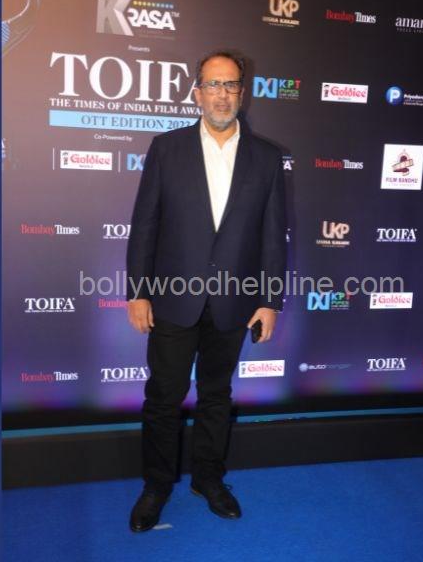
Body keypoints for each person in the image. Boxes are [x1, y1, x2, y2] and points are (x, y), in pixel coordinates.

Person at [125, 50, 287, 532]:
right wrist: (138, 291)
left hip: (235, 301)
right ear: (197, 92)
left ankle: (208, 479)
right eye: (213, 84)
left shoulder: (267, 157)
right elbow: (144, 225)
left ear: (242, 93)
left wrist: (270, 300)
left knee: (217, 395)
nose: (222, 94)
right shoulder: (166, 148)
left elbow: (273, 236)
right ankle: (156, 486)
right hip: (173, 298)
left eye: (231, 84)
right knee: (163, 397)